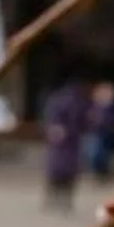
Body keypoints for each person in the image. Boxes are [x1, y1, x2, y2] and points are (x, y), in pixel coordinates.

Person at [41, 77, 91, 213]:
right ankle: (58, 198)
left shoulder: (62, 99)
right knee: (60, 169)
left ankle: (59, 198)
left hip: (70, 140)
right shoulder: (69, 100)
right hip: (65, 140)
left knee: (62, 170)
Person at [86, 81, 114, 182]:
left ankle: (103, 172)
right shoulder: (93, 107)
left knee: (101, 151)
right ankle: (98, 172)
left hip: (109, 136)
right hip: (95, 135)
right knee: (93, 149)